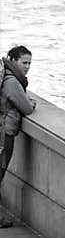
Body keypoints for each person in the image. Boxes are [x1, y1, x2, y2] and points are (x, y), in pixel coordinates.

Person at [0, 45, 36, 227]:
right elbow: (27, 108)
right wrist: (30, 102)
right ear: (13, 60)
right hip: (4, 132)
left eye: (30, 63)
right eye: (24, 62)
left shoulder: (5, 76)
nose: (27, 67)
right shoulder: (12, 82)